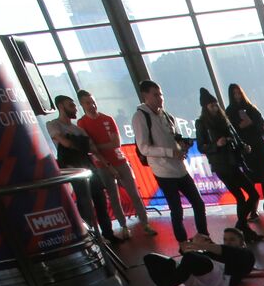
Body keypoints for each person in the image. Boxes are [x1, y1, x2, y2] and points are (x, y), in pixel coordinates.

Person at [133, 79, 209, 243]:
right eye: (156, 95)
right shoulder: (141, 117)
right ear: (145, 95)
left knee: (198, 203)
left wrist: (181, 146)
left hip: (179, 169)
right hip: (163, 171)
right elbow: (144, 148)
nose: (160, 98)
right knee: (177, 209)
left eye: (161, 94)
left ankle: (204, 236)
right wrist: (170, 152)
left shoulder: (166, 115)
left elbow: (174, 137)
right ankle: (183, 243)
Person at [76, 89, 155, 236]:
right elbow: (91, 148)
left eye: (93, 102)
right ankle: (124, 226)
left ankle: (145, 223)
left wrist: (98, 146)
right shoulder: (82, 123)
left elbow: (116, 143)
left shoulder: (107, 119)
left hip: (120, 160)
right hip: (102, 165)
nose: (92, 105)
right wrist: (104, 156)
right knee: (114, 197)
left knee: (134, 194)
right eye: (88, 103)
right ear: (82, 104)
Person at [45, 95, 119, 242]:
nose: (75, 109)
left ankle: (108, 233)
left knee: (100, 201)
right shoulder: (53, 124)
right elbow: (65, 143)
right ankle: (90, 235)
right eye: (70, 106)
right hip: (74, 168)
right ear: (61, 106)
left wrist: (107, 165)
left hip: (88, 166)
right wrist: (80, 144)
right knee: (85, 201)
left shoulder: (78, 129)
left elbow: (91, 148)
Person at [196, 89, 262, 242]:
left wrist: (243, 146)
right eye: (211, 105)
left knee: (252, 194)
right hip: (221, 165)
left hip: (233, 161)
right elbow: (201, 146)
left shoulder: (224, 119)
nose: (215, 107)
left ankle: (241, 226)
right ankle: (242, 228)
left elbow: (235, 137)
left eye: (215, 104)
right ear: (205, 107)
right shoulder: (202, 123)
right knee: (241, 196)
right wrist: (216, 144)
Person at [140, 228, 256, 286]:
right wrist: (193, 245)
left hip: (219, 281)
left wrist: (200, 245)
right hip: (196, 278)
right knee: (151, 258)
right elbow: (187, 254)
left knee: (191, 257)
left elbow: (227, 251)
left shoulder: (246, 255)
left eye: (232, 239)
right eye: (225, 239)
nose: (227, 242)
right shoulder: (214, 252)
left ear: (242, 243)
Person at [227, 83, 264, 217]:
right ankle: (253, 210)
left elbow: (262, 124)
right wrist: (241, 127)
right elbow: (231, 130)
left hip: (258, 145)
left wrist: (251, 124)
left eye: (238, 93)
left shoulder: (251, 108)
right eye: (234, 94)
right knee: (251, 179)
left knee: (263, 177)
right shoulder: (230, 111)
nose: (237, 96)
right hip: (246, 148)